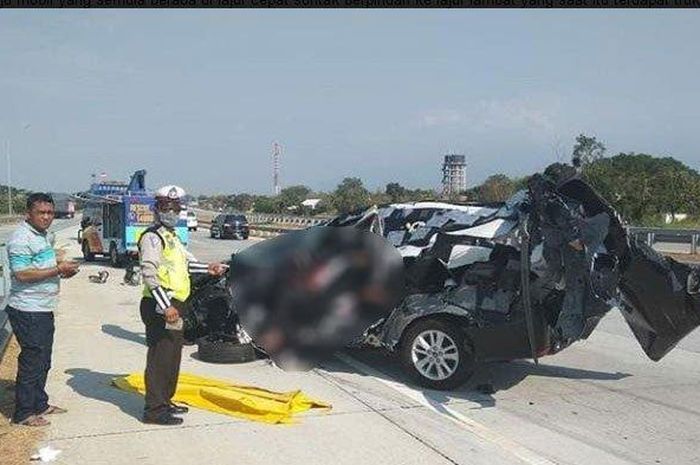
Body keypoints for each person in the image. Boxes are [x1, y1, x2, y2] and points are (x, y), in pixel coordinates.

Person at [138, 185, 227, 425]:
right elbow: (149, 273)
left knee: (172, 355)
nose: (172, 212)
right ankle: (154, 411)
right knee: (160, 357)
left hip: (176, 305)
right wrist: (167, 306)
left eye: (176, 208)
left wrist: (209, 268)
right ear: (156, 209)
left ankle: (165, 401)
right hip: (161, 306)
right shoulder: (152, 237)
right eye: (167, 207)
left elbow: (184, 267)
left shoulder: (171, 236)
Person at [6, 193, 80, 427]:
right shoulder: (21, 239)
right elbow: (22, 274)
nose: (46, 217)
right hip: (28, 309)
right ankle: (23, 413)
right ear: (29, 213)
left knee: (43, 360)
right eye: (41, 213)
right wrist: (58, 270)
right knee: (32, 361)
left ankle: (40, 403)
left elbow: (42, 267)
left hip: (43, 307)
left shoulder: (44, 235)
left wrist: (63, 271)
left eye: (49, 213)